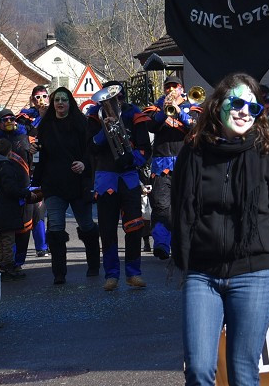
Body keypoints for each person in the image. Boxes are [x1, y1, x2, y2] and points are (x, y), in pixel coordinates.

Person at [171, 72, 269, 386]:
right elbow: (179, 206)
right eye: (236, 103)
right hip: (203, 274)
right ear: (217, 104)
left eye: (253, 107)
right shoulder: (194, 150)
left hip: (255, 272)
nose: (244, 112)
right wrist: (184, 260)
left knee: (243, 376)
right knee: (199, 372)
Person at [86, 82, 150, 291]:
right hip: (106, 177)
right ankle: (111, 275)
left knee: (134, 225)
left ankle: (134, 273)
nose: (114, 103)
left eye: (118, 98)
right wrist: (106, 129)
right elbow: (91, 147)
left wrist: (133, 160)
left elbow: (145, 149)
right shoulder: (95, 117)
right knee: (107, 228)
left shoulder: (134, 115)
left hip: (128, 175)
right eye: (109, 100)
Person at [35, 87, 101, 283]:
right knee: (55, 226)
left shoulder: (82, 124)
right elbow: (42, 154)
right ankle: (59, 272)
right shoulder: (46, 126)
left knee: (86, 224)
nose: (60, 103)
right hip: (54, 183)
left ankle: (94, 264)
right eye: (57, 100)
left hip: (78, 183)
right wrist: (34, 150)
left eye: (64, 99)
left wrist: (84, 164)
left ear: (69, 102)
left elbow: (92, 152)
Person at [142, 74, 198, 261]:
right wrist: (165, 111)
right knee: (161, 207)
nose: (171, 90)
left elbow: (195, 128)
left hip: (186, 164)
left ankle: (185, 246)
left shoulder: (192, 108)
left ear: (182, 89)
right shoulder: (155, 108)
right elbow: (150, 126)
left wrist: (179, 112)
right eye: (168, 87)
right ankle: (162, 244)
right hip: (161, 166)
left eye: (175, 86)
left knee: (187, 207)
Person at [0, 138, 32, 282]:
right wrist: (25, 193)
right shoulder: (6, 166)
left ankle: (3, 264)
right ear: (9, 151)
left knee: (1, 238)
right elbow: (10, 188)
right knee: (8, 239)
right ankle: (8, 266)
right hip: (7, 206)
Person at [17, 85, 49, 259]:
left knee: (52, 207)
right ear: (32, 99)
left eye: (44, 96)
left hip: (52, 166)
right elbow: (22, 139)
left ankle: (49, 243)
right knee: (36, 206)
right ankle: (40, 246)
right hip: (32, 166)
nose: (41, 100)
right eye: (37, 97)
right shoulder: (24, 117)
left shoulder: (55, 114)